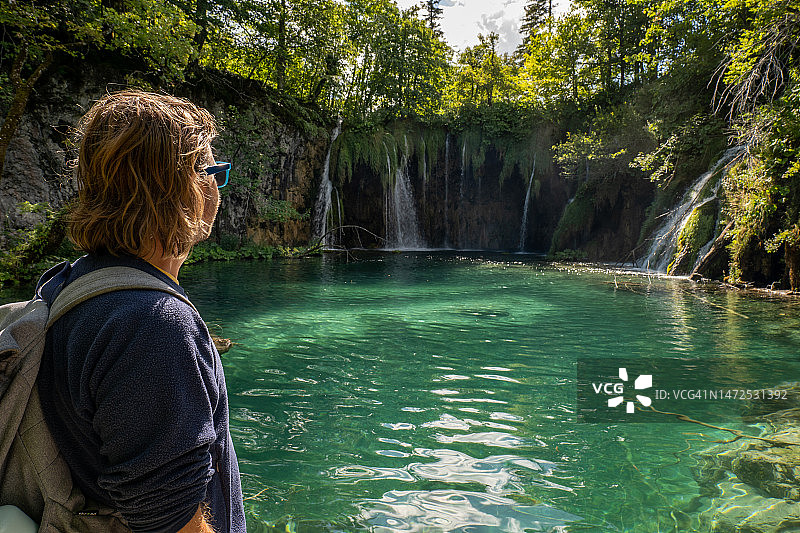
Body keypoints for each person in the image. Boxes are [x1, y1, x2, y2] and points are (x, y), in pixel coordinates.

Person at [34, 90, 246, 532]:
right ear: (184, 185)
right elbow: (172, 520)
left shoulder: (70, 285)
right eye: (212, 171)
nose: (217, 186)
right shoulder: (151, 324)